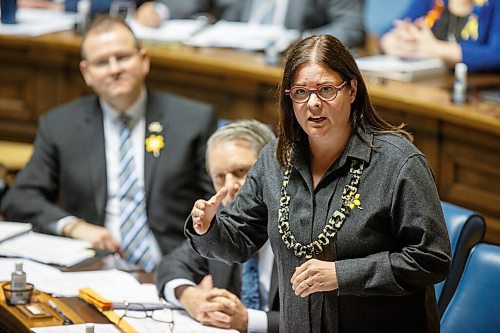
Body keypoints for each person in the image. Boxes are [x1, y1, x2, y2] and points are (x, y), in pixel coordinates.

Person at [186, 34, 452, 332]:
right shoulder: (275, 160)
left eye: (326, 90)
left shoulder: (398, 163)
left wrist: (342, 275)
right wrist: (208, 227)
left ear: (352, 90)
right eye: (300, 92)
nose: (312, 103)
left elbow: (432, 258)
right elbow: (238, 242)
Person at [1, 16, 217, 272]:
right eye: (102, 62)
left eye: (123, 57)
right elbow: (21, 198)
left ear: (144, 60)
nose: (114, 69)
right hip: (91, 268)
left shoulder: (192, 121)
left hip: (173, 269)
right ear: (87, 73)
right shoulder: (60, 125)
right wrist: (73, 226)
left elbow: (219, 205)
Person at [157, 120, 278, 333]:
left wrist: (249, 320)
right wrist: (189, 296)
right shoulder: (221, 221)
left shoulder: (302, 226)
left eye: (242, 171)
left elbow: (324, 320)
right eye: (219, 177)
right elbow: (171, 264)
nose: (230, 187)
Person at [138, 0, 365, 48]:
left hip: (288, 62)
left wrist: (304, 42)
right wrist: (160, 10)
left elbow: (351, 25)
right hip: (231, 57)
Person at [380, 0, 500, 72]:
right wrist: (399, 42)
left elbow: (495, 55)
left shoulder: (493, 4)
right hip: (429, 87)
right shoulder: (432, 2)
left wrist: (436, 49)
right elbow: (387, 35)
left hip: (477, 94)